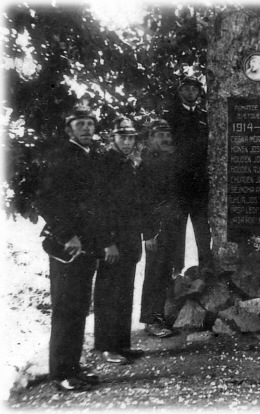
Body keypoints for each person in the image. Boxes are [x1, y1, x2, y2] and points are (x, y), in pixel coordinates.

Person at [36, 104, 119, 391]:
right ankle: (60, 374)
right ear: (69, 128)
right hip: (67, 247)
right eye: (80, 123)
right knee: (66, 309)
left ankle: (72, 368)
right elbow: (46, 200)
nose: (86, 128)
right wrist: (67, 234)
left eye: (90, 124)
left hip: (86, 247)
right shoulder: (61, 157)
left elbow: (94, 206)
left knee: (79, 308)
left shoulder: (89, 157)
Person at [93, 116, 157, 364]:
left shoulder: (129, 164)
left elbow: (138, 204)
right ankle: (106, 346)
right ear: (113, 139)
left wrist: (146, 233)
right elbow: (98, 208)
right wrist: (106, 242)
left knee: (123, 292)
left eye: (131, 138)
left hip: (129, 240)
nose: (128, 142)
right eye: (123, 137)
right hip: (112, 241)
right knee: (108, 293)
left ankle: (121, 344)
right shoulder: (104, 165)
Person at [166, 75, 214, 274]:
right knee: (177, 230)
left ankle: (206, 271)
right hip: (178, 182)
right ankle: (177, 272)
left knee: (203, 230)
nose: (191, 92)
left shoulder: (205, 116)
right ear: (180, 92)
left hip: (200, 183)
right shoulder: (170, 116)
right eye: (187, 89)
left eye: (195, 89)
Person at [139, 119, 181, 337]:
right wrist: (148, 233)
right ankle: (150, 319)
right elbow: (142, 201)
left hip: (171, 223)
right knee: (154, 272)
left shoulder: (171, 161)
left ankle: (159, 316)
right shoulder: (145, 164)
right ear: (150, 139)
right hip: (155, 227)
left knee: (165, 271)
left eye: (167, 135)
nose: (165, 139)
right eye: (160, 135)